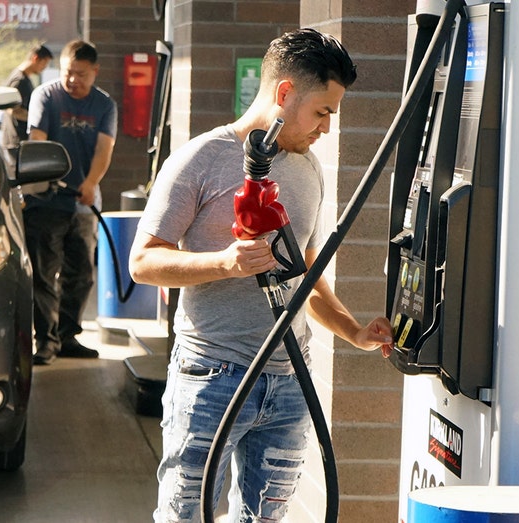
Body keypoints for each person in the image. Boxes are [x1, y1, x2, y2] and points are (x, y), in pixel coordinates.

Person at [128, 29, 394, 522]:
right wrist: (224, 263)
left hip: (289, 380)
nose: (326, 130)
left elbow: (304, 272)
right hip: (212, 376)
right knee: (186, 516)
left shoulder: (308, 169)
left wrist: (352, 330)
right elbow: (142, 262)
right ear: (285, 93)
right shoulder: (200, 160)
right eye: (322, 113)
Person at [25, 40, 117, 364]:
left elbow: (104, 149)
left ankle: (67, 336)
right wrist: (47, 176)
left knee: (80, 274)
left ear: (95, 72)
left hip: (83, 202)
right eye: (68, 73)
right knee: (44, 273)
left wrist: (91, 183)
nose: (73, 80)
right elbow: (37, 140)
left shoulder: (104, 106)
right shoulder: (45, 97)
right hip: (46, 201)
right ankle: (45, 341)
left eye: (80, 74)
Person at [1, 43, 53, 165]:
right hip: (16, 142)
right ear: (35, 58)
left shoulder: (23, 79)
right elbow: (12, 110)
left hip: (19, 142)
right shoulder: (19, 80)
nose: (44, 68)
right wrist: (38, 120)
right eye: (44, 63)